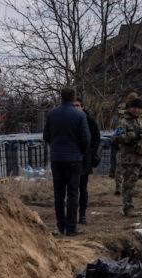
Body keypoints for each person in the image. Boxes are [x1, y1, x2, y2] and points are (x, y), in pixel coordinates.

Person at [42, 86, 91, 236]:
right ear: (73, 98)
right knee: (73, 193)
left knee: (59, 193)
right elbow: (86, 138)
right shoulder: (79, 115)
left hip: (57, 159)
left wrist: (56, 148)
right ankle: (71, 228)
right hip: (74, 159)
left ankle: (60, 226)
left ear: (61, 97)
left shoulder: (52, 114)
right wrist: (81, 152)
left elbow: (46, 136)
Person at [73, 98, 101, 225]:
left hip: (85, 158)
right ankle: (72, 214)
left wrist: (92, 153)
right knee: (72, 188)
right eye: (73, 105)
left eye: (77, 105)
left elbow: (96, 139)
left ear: (83, 107)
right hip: (72, 158)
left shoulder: (90, 121)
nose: (75, 107)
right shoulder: (70, 121)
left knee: (82, 188)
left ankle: (82, 214)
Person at [111, 90, 139, 196]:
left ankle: (123, 187)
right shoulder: (123, 111)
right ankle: (120, 187)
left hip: (128, 140)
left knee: (126, 166)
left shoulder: (129, 110)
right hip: (122, 138)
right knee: (122, 165)